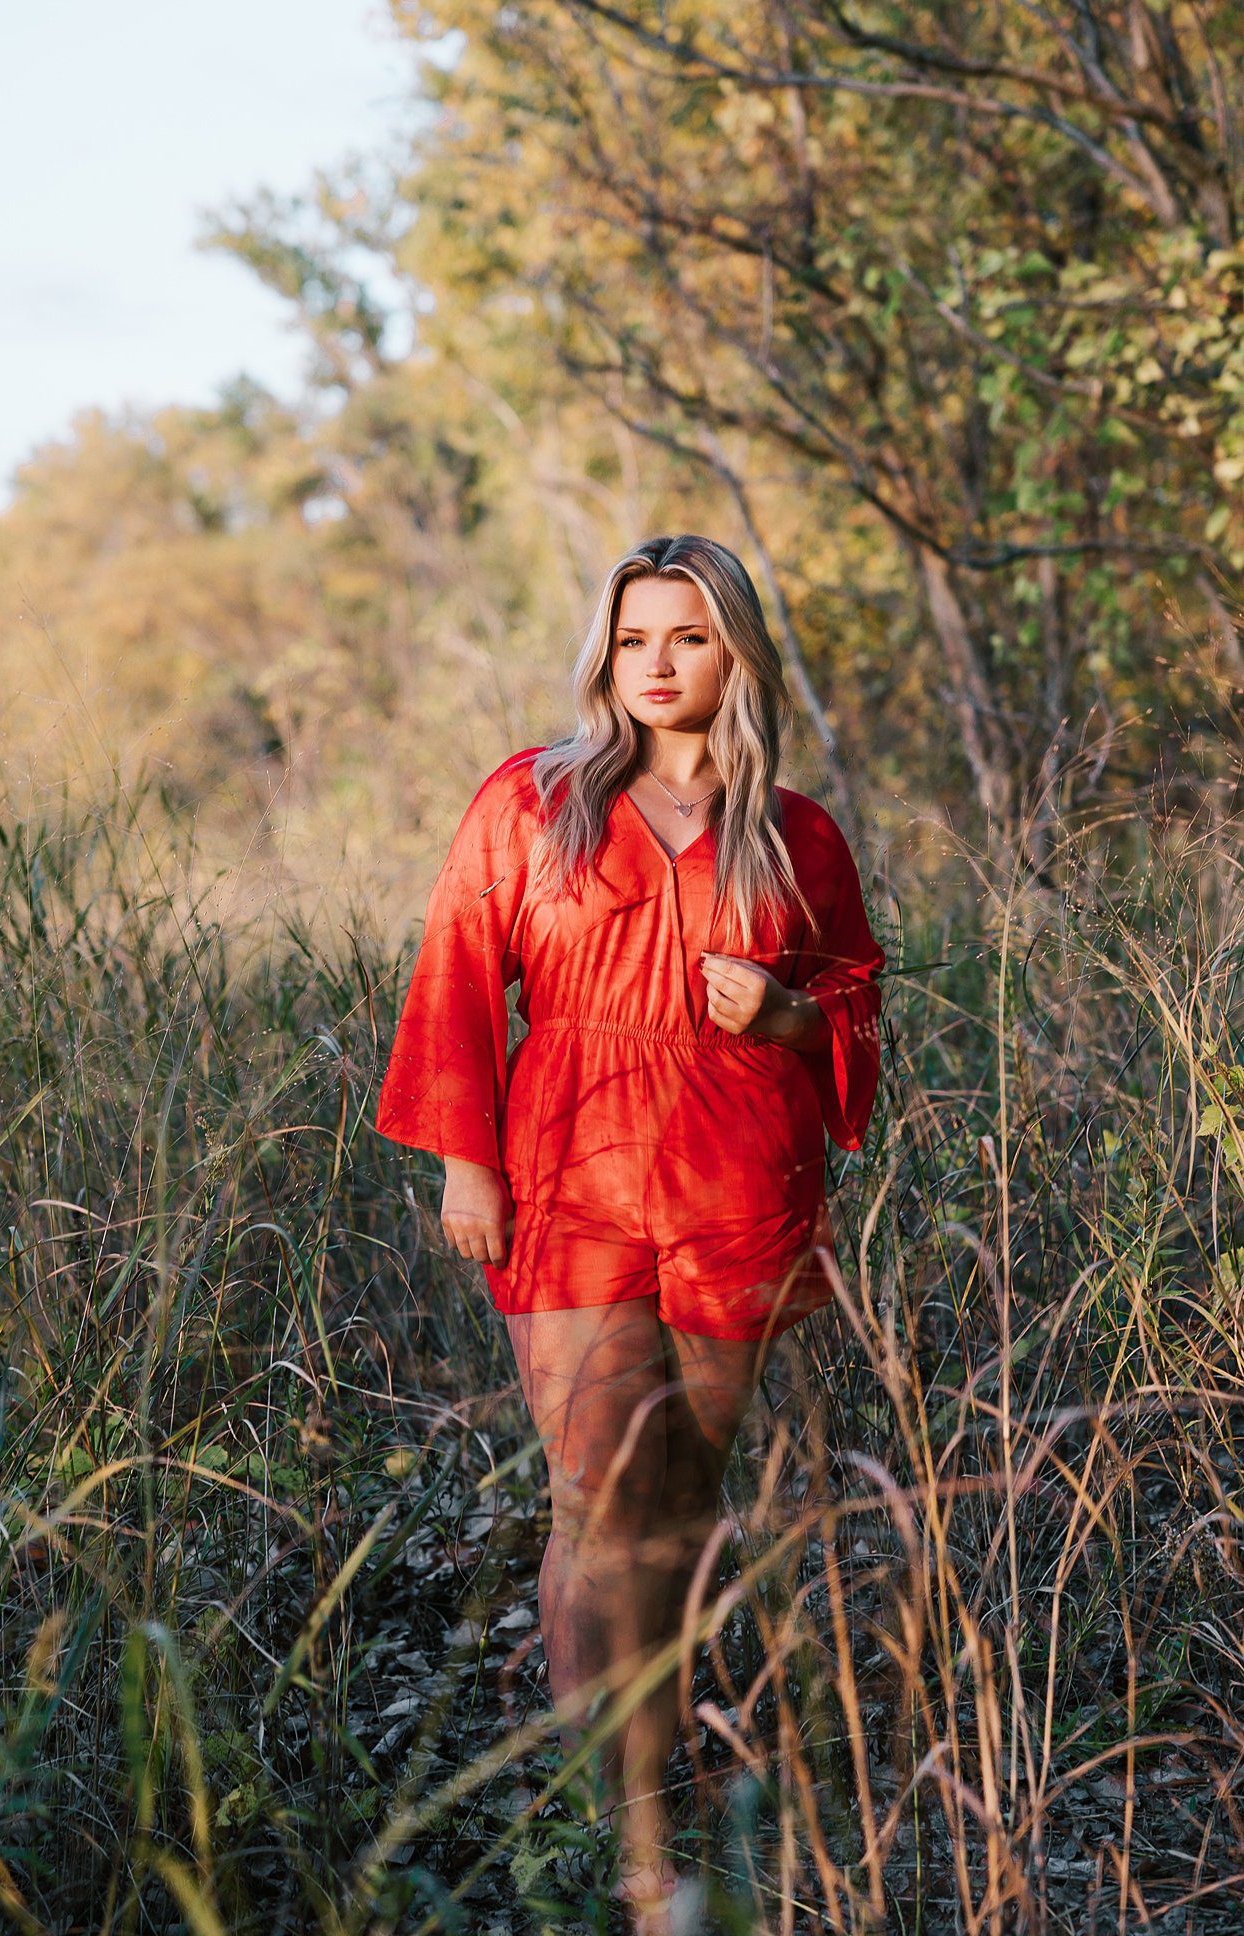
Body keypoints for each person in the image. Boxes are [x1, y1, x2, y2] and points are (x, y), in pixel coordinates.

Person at [373, 534, 885, 1928]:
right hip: (569, 1161)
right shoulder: (529, 802)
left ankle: (647, 1748)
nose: (656, 665)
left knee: (677, 1505)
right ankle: (631, 1834)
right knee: (596, 1495)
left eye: (689, 639)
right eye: (633, 639)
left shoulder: (798, 831)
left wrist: (786, 1017)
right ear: (604, 654)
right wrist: (464, 1163)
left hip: (736, 1174)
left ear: (735, 656)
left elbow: (850, 998)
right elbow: (459, 974)